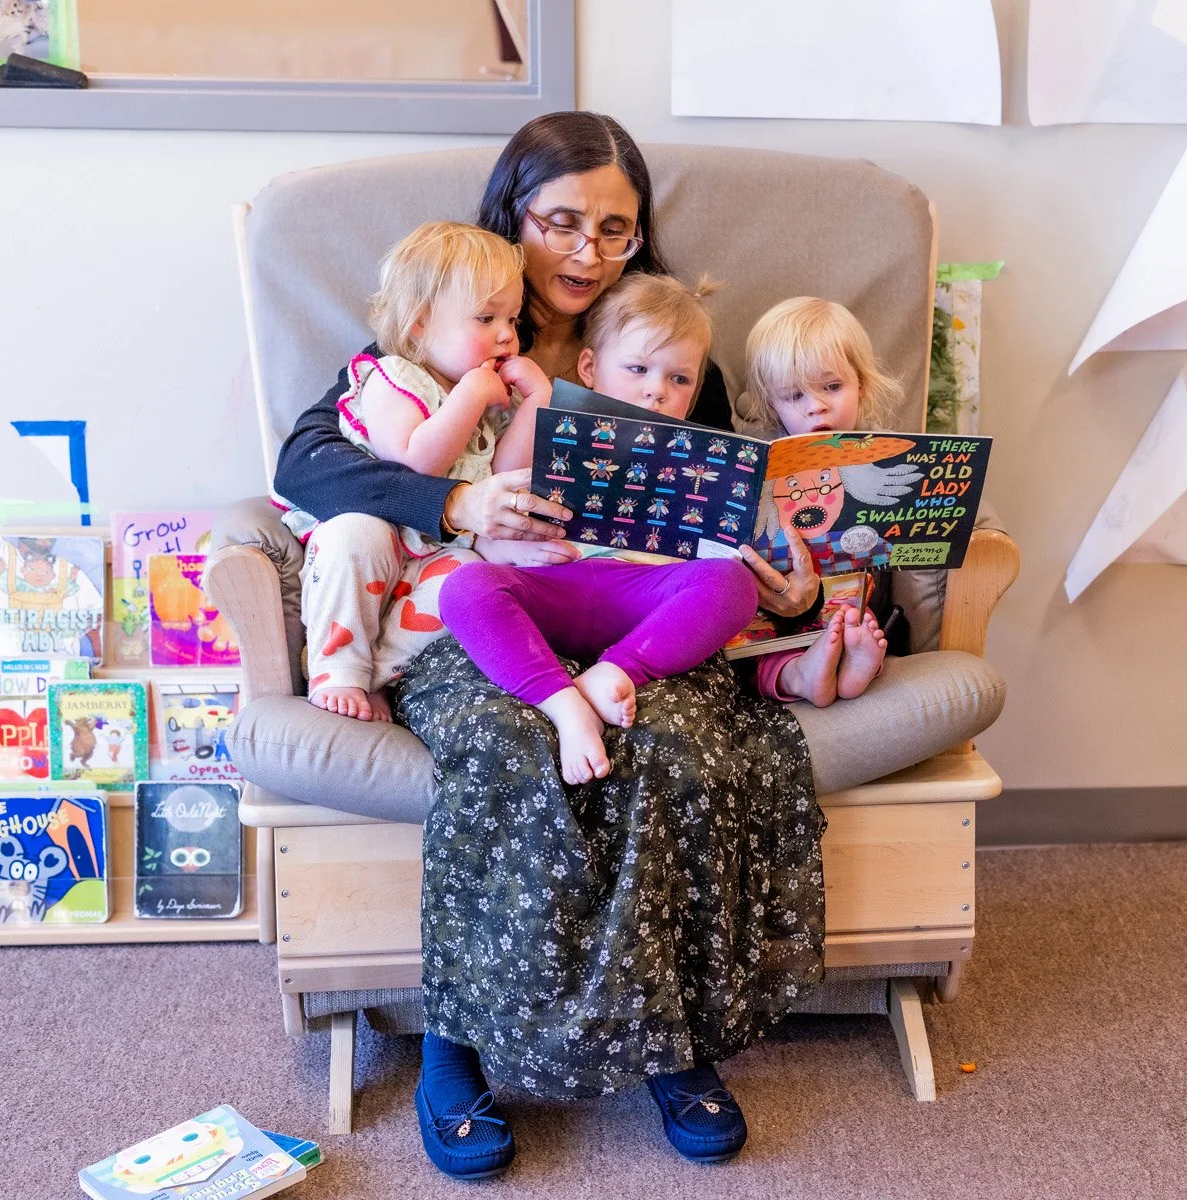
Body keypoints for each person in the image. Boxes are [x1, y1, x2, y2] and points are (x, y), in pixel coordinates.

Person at [269, 112, 828, 1179]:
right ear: (512, 214)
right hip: (481, 612)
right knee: (504, 744)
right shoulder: (452, 330)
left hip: (633, 620)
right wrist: (459, 501)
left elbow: (727, 508)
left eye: (616, 230)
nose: (586, 251)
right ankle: (456, 1043)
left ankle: (673, 1042)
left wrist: (790, 594)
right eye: (562, 222)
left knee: (673, 744)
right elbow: (306, 466)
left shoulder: (664, 343)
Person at [438, 273, 760, 785]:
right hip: (552, 587)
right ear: (588, 367)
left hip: (642, 600)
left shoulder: (703, 458)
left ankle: (614, 673)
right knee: (464, 588)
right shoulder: (548, 422)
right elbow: (497, 502)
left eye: (680, 380)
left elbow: (718, 559)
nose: (657, 390)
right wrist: (499, 545)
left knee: (733, 584)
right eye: (638, 368)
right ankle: (564, 704)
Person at [274, 221, 560, 723]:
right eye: (486, 318)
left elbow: (502, 474)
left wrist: (538, 400)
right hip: (377, 534)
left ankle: (377, 674)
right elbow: (414, 463)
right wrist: (471, 396)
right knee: (354, 534)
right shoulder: (393, 377)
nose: (507, 335)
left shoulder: (482, 396)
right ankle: (337, 669)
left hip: (436, 552)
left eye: (512, 319)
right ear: (419, 323)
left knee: (471, 579)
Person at [735, 297, 910, 708]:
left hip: (851, 599)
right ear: (772, 404)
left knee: (860, 625)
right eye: (795, 395)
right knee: (756, 649)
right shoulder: (760, 463)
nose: (817, 406)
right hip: (772, 617)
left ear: (861, 384)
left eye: (832, 387)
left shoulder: (880, 454)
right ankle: (802, 675)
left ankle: (852, 663)